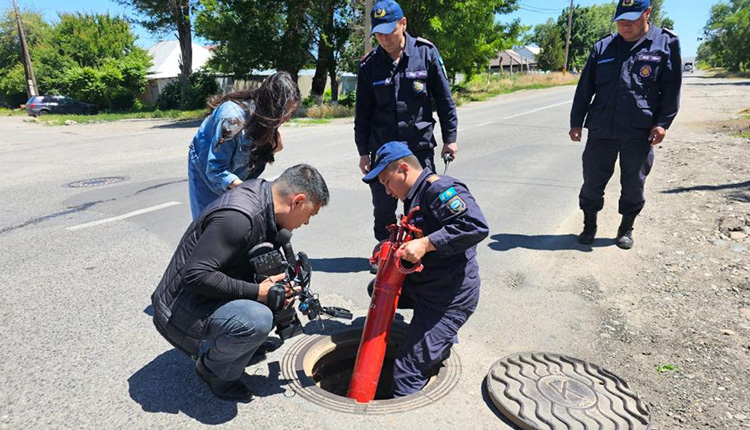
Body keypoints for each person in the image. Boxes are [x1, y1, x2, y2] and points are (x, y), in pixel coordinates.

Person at [151, 164, 329, 402]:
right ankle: (213, 369)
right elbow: (195, 275)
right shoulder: (239, 217)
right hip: (182, 306)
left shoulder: (266, 199)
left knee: (272, 295)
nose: (307, 222)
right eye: (310, 214)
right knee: (256, 319)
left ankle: (241, 343)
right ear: (297, 201)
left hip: (210, 290)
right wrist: (258, 292)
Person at [361, 141, 488, 397]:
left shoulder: (440, 189)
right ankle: (431, 339)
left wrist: (426, 244)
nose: (386, 191)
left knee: (406, 370)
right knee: (375, 288)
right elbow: (416, 234)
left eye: (387, 182)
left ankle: (433, 344)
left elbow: (475, 226)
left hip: (449, 297)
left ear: (404, 169)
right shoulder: (414, 196)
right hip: (427, 284)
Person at [569, 0, 681, 249]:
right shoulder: (603, 47)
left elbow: (671, 88)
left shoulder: (665, 43)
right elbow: (585, 88)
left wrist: (662, 123)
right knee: (592, 181)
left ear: (647, 13)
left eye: (631, 19)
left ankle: (626, 227)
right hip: (601, 130)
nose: (625, 25)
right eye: (621, 20)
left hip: (638, 132)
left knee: (633, 183)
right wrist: (576, 122)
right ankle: (589, 225)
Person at [355, 0, 458, 259]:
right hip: (383, 150)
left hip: (418, 148)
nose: (384, 39)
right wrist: (363, 152)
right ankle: (386, 251)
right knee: (383, 204)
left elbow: (444, 101)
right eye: (378, 34)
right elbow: (362, 115)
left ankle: (423, 249)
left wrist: (450, 139)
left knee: (424, 202)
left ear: (403, 24)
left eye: (388, 32)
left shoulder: (426, 53)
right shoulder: (369, 65)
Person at [188, 72, 301, 219]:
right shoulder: (232, 118)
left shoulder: (266, 118)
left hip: (232, 172)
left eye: (291, 113)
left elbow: (255, 159)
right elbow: (216, 170)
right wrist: (249, 192)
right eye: (286, 113)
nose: (288, 119)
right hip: (206, 168)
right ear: (272, 106)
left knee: (234, 219)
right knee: (207, 224)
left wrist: (273, 149)